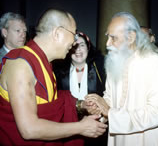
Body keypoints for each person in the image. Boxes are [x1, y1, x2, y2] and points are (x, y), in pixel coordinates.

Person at [0, 8, 107, 146]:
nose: (74, 43)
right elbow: (29, 129)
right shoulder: (21, 64)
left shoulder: (43, 63)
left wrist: (80, 104)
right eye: (73, 35)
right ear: (57, 33)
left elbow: (52, 100)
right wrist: (81, 127)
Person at [86, 12, 158, 146]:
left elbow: (154, 115)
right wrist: (98, 109)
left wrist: (109, 113)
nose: (108, 43)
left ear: (131, 37)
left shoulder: (155, 63)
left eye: (113, 38)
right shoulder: (114, 61)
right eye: (108, 37)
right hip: (117, 138)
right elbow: (110, 99)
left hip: (146, 140)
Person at [53, 31, 107, 146]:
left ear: (88, 48)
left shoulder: (100, 69)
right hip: (68, 127)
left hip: (95, 127)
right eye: (74, 46)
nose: (78, 50)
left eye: (82, 45)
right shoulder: (58, 72)